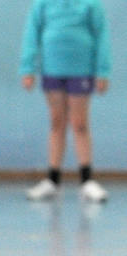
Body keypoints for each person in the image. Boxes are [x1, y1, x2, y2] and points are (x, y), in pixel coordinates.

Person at [20, 0, 112, 203]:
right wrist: (28, 67)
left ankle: (87, 180)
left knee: (79, 123)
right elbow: (32, 33)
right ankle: (53, 179)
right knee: (56, 122)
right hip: (52, 69)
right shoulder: (43, 4)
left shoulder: (91, 4)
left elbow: (101, 35)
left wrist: (102, 70)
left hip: (81, 70)